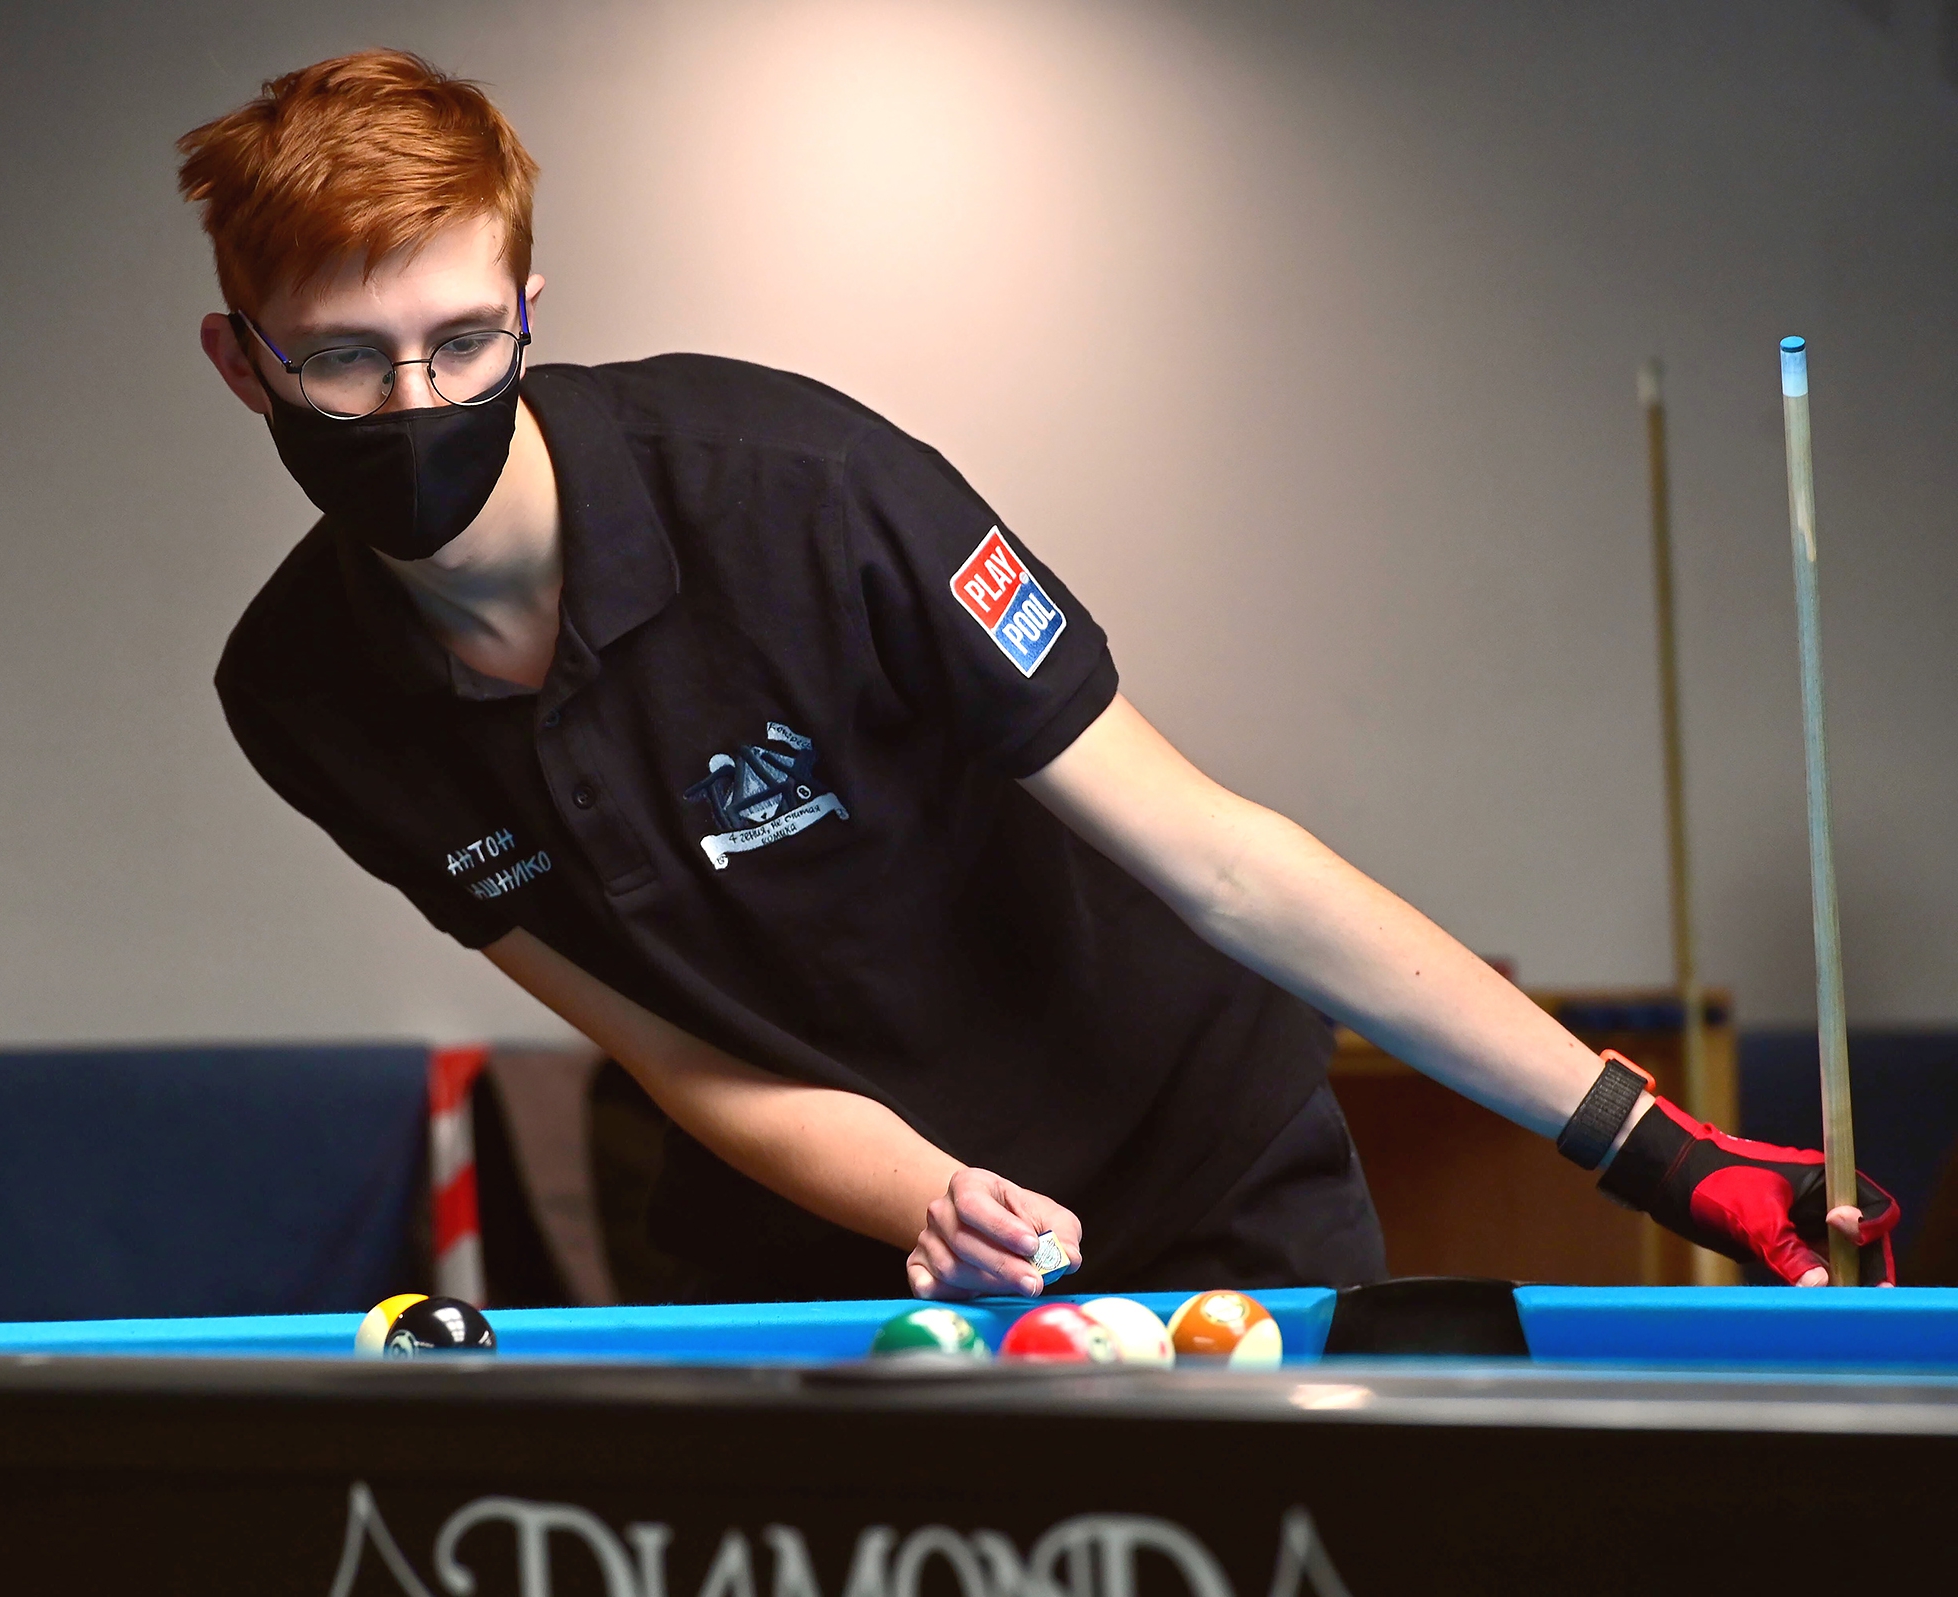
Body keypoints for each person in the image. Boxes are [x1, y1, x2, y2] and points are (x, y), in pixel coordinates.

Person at [175, 49, 1897, 1302]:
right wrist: (932, 1196)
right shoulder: (300, 696)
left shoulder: (809, 492)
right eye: (343, 360)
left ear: (530, 310)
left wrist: (1652, 1146)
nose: (415, 403)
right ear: (243, 366)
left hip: (1193, 1169)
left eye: (462, 340)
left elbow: (1224, 860)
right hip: (836, 1234)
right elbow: (683, 1056)